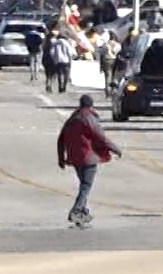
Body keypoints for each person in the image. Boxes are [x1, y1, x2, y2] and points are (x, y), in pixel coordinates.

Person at [57, 94, 121, 228]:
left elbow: (61, 139)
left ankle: (83, 212)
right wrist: (115, 149)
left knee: (83, 185)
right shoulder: (89, 118)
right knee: (86, 186)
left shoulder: (73, 118)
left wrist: (61, 158)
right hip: (88, 157)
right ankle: (76, 210)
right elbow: (100, 137)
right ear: (91, 105)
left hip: (74, 157)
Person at [44, 30, 73, 94]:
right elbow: (70, 52)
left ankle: (60, 87)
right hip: (66, 61)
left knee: (60, 74)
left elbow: (52, 52)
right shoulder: (66, 43)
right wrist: (70, 59)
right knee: (66, 75)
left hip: (58, 61)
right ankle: (64, 87)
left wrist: (55, 58)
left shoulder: (55, 43)